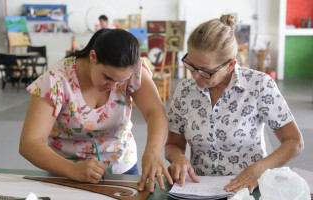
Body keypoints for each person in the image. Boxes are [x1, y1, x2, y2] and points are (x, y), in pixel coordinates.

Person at [19, 28, 173, 192]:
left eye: (121, 81)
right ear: (93, 57)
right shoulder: (57, 80)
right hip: (65, 171)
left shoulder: (131, 72)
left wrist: (153, 151)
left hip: (122, 168)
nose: (113, 87)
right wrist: (73, 170)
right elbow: (29, 143)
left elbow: (155, 112)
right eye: (108, 77)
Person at [165, 15, 304, 194]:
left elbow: (294, 142)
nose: (195, 76)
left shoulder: (258, 85)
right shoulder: (184, 90)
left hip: (248, 188)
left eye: (205, 71)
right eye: (191, 65)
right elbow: (173, 145)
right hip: (198, 189)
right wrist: (178, 158)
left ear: (230, 65)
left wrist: (258, 171)